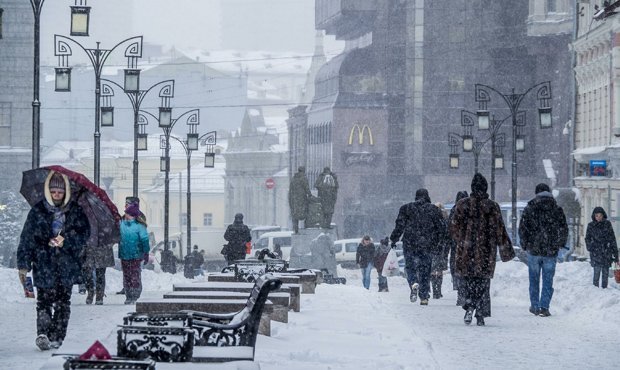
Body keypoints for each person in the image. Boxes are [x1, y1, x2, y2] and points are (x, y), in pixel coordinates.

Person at [17, 171, 90, 350]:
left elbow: (84, 234)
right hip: (43, 263)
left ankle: (57, 336)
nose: (57, 195)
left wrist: (65, 239)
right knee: (43, 301)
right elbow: (27, 238)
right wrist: (23, 264)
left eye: (60, 192)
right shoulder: (38, 211)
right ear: (48, 191)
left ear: (65, 192)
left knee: (63, 303)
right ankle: (43, 334)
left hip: (67, 265)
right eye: (54, 191)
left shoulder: (75, 211)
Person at [451, 173, 512, 326]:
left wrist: (463, 241)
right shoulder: (492, 206)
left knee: (468, 281)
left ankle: (469, 305)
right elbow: (500, 230)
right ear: (485, 188)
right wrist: (505, 251)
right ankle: (480, 313)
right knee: (483, 283)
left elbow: (454, 228)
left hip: (466, 252)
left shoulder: (462, 205)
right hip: (486, 252)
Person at [518, 183, 568, 317]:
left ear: (536, 193)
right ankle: (544, 306)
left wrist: (525, 244)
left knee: (534, 280)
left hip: (534, 250)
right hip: (550, 251)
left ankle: (534, 306)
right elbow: (563, 228)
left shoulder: (530, 208)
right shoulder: (556, 209)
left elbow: (523, 228)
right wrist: (559, 243)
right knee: (548, 280)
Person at [390, 188, 445, 305]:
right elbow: (441, 229)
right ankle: (424, 296)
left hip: (410, 243)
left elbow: (399, 226)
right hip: (427, 244)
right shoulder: (434, 210)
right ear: (427, 196)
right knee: (425, 270)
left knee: (410, 267)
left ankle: (413, 282)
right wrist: (439, 243)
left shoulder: (406, 208)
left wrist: (394, 239)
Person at [119, 201, 150, 305]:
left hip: (136, 255)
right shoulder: (121, 224)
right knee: (127, 276)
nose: (125, 214)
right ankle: (128, 295)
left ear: (132, 215)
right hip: (124, 255)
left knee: (134, 275)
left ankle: (135, 294)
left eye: (127, 213)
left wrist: (146, 253)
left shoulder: (140, 226)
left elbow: (145, 240)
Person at [585, 207, 619, 289]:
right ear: (594, 216)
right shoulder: (591, 225)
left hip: (606, 252)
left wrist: (615, 253)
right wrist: (591, 247)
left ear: (603, 215)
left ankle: (605, 289)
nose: (599, 217)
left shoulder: (607, 224)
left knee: (605, 273)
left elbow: (612, 238)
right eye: (597, 215)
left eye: (600, 215)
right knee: (596, 272)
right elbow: (587, 238)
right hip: (596, 252)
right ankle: (595, 290)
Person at [448, 191, 468, 306]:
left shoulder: (454, 210)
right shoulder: (472, 208)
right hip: (470, 244)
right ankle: (466, 293)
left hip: (457, 244)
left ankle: (460, 292)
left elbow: (450, 227)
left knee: (457, 268)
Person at [431, 203, 450, 299]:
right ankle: (438, 290)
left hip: (432, 247)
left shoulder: (431, 218)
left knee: (433, 269)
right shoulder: (445, 219)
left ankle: (434, 290)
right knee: (439, 270)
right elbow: (448, 234)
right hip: (442, 247)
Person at [289, 166, 312, 234]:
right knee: (306, 213)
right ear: (303, 171)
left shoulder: (293, 179)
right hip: (302, 199)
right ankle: (306, 227)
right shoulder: (303, 178)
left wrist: (291, 200)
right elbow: (307, 188)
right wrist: (310, 195)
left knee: (295, 215)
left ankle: (296, 230)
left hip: (294, 200)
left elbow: (290, 191)